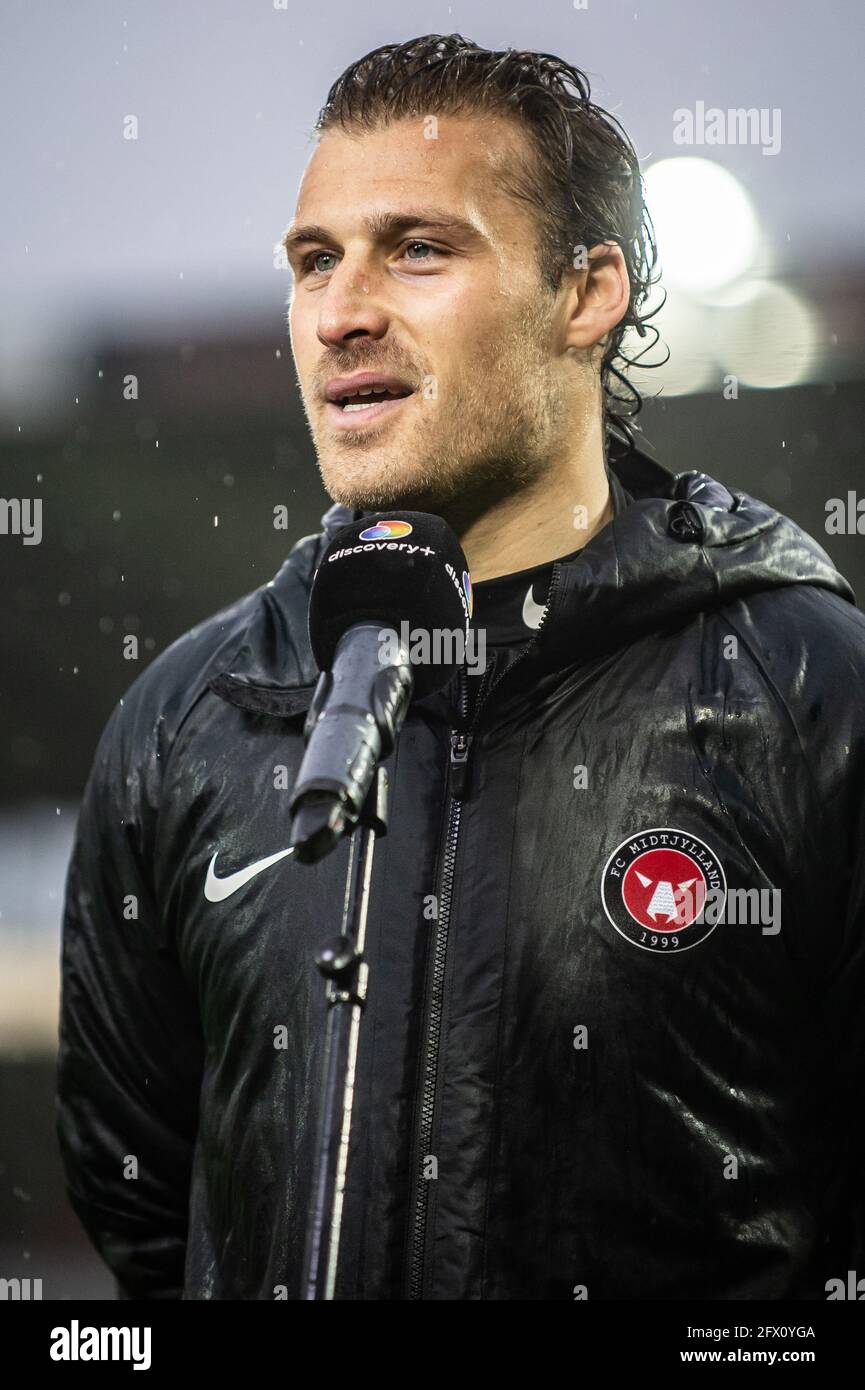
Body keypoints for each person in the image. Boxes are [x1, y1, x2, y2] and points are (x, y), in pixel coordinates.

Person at [57, 34, 865, 1300]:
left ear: (585, 292)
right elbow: (140, 1201)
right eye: (314, 261)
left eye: (418, 249)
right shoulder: (186, 719)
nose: (342, 312)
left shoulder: (801, 687)